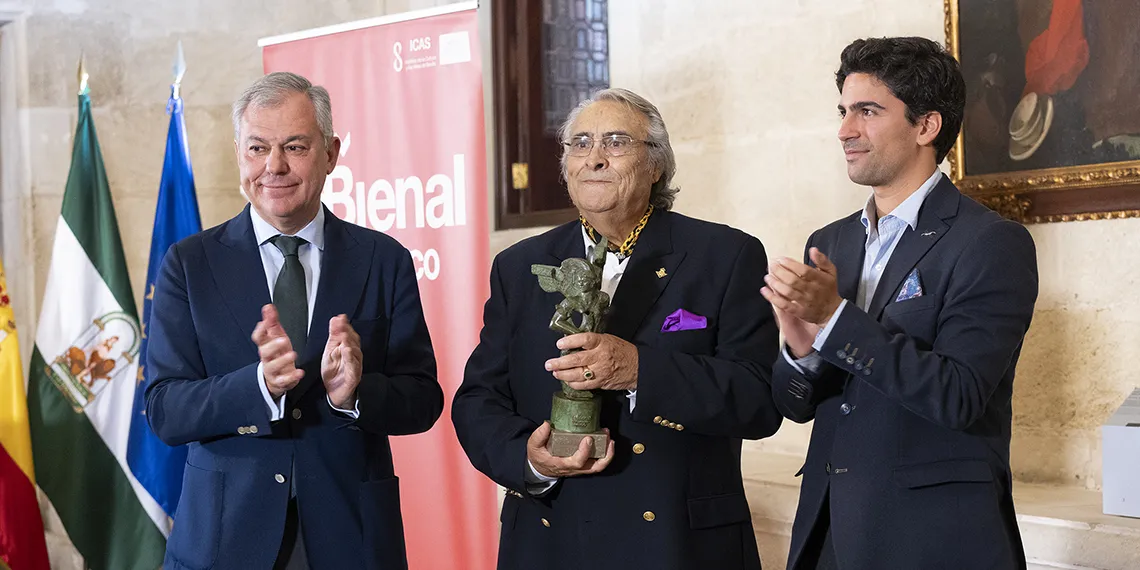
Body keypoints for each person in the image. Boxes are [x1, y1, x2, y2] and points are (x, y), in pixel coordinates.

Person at [452, 88, 783, 570]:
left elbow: (758, 400)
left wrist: (639, 371)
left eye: (616, 142)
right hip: (551, 540)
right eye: (580, 143)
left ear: (656, 166)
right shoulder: (519, 265)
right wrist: (528, 460)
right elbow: (478, 400)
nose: (595, 159)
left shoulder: (725, 255)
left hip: (674, 543)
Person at [145, 71, 441, 570]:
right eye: (257, 148)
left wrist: (356, 394)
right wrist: (257, 387)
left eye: (295, 147)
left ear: (330, 153)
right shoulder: (189, 263)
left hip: (352, 538)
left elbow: (422, 399)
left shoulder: (382, 259)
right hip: (224, 540)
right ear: (239, 153)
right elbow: (165, 409)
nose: (274, 167)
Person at [763, 37, 1038, 570]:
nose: (845, 130)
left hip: (932, 540)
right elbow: (797, 405)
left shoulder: (990, 242)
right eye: (843, 111)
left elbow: (958, 396)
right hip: (827, 533)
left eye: (867, 111)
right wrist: (802, 352)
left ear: (925, 126)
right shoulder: (831, 240)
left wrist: (834, 320)